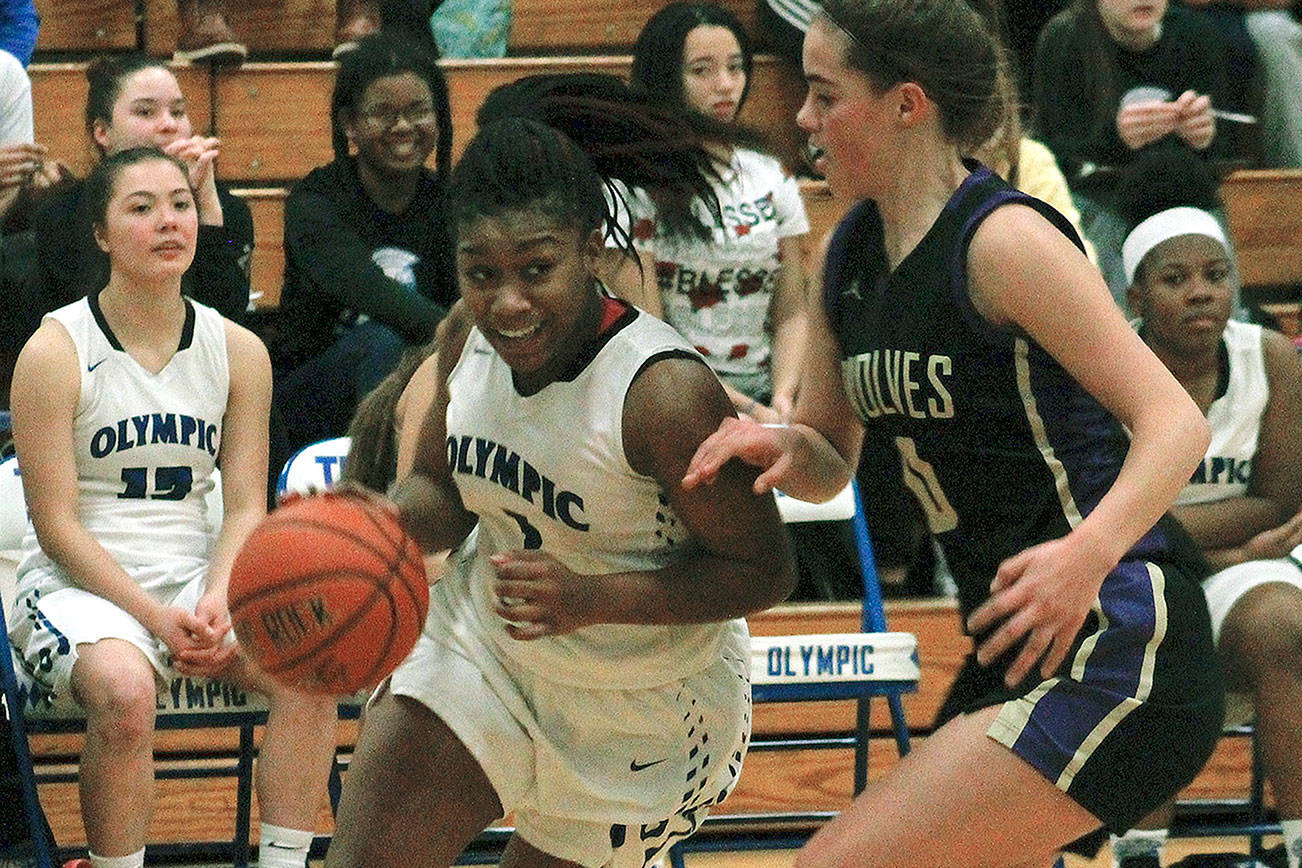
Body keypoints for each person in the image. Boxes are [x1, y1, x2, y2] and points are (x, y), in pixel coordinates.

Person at [683, 0, 1227, 864]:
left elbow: (1175, 424)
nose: (801, 117)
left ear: (907, 104)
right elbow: (830, 464)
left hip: (1118, 639)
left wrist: (1087, 552)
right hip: (1012, 646)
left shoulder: (1001, 240)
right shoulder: (849, 251)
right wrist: (783, 448)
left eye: (825, 94)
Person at [323, 105, 796, 867]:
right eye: (482, 273)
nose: (507, 302)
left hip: (644, 704)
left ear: (592, 250)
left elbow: (764, 570)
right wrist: (377, 526)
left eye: (536, 270)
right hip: (486, 648)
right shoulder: (464, 339)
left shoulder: (664, 395)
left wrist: (590, 598)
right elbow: (443, 493)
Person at [4, 147, 338, 868]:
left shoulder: (239, 349)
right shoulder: (55, 351)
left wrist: (218, 599)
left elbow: (247, 501)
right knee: (125, 694)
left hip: (191, 580)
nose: (168, 222)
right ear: (101, 233)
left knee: (309, 668)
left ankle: (284, 863)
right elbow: (56, 527)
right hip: (76, 589)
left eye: (181, 204)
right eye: (141, 207)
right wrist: (156, 620)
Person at [1102, 152, 1302, 868]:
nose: (1200, 294)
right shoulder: (1104, 364)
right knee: (1148, 628)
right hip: (1131, 569)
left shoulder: (1271, 356)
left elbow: (1279, 499)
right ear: (1136, 294)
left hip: (1242, 570)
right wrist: (1221, 546)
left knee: (1285, 625)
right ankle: (1139, 851)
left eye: (1215, 277)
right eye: (1175, 279)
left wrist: (1178, 537)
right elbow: (1100, 519)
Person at [268, 31, 457, 489]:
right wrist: (461, 332)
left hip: (419, 383)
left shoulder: (451, 203)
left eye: (418, 111)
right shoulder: (315, 201)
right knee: (381, 342)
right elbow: (362, 287)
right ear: (350, 125)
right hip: (311, 397)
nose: (404, 127)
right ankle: (382, 502)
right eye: (383, 113)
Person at [30, 54, 253, 327]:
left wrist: (206, 204)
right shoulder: (61, 215)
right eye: (146, 112)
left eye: (178, 112)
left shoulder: (228, 211)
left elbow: (227, 318)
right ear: (102, 132)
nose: (169, 124)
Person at [1032, 0, 1235, 299]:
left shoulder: (1195, 33)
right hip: (1101, 193)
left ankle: (1227, 329)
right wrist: (1115, 140)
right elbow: (1054, 153)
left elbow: (1227, 140)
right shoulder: (1067, 37)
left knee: (1206, 224)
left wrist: (1205, 136)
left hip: (1184, 190)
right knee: (1093, 217)